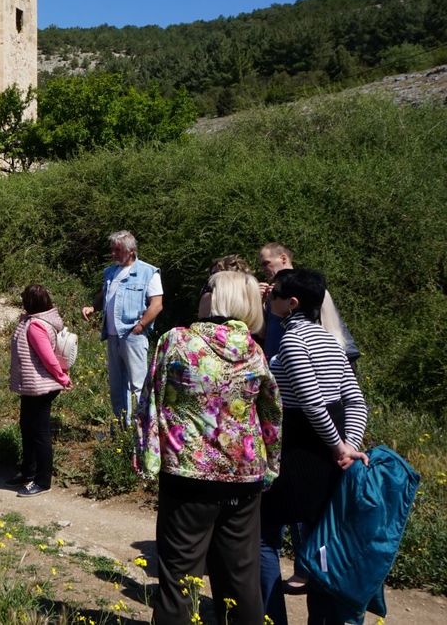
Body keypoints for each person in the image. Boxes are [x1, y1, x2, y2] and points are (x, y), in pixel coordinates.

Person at [137, 271, 282, 625]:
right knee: (240, 581)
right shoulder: (254, 351)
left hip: (188, 475)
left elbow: (150, 401)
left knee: (178, 580)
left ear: (218, 297)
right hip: (243, 478)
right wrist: (271, 467)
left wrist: (148, 457)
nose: (200, 292)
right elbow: (271, 416)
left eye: (206, 287)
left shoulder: (177, 341)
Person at [260, 268, 368, 625]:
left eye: (274, 293)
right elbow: (355, 402)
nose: (269, 296)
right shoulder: (329, 341)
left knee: (263, 535)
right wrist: (349, 445)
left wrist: (339, 446)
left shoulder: (293, 341)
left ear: (291, 303)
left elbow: (311, 403)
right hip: (329, 460)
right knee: (321, 542)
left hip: (299, 453)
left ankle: (271, 617)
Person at [81, 230, 164, 424]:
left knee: (138, 383)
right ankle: (121, 425)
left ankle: (142, 425)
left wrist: (141, 325)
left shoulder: (148, 272)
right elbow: (105, 294)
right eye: (112, 249)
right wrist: (93, 307)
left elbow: (157, 304)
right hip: (112, 335)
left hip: (132, 335)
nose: (113, 254)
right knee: (117, 384)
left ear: (131, 251)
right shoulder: (111, 271)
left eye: (117, 250)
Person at [8, 284, 71, 496]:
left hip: (42, 386)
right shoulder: (34, 321)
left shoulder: (35, 325)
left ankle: (42, 481)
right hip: (33, 385)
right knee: (27, 426)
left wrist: (62, 378)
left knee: (39, 432)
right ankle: (28, 471)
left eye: (25, 299)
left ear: (31, 302)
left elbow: (48, 357)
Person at [257, 243, 358, 366]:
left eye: (266, 263)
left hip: (308, 363)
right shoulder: (270, 295)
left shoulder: (308, 287)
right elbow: (264, 332)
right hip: (277, 366)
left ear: (283, 259)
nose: (263, 269)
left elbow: (332, 326)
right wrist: (259, 302)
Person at [196, 254, 254, 319]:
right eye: (212, 274)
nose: (212, 278)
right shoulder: (209, 298)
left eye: (216, 273)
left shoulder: (251, 296)